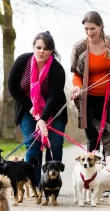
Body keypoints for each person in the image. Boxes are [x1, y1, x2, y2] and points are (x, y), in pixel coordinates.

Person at [8, 31, 68, 188]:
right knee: (32, 145)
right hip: (27, 108)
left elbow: (54, 97)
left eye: (46, 48)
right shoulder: (22, 62)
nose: (42, 51)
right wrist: (32, 110)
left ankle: (51, 186)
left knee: (54, 146)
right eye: (38, 47)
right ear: (33, 47)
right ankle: (35, 185)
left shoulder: (57, 69)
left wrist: (42, 119)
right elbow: (13, 88)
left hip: (54, 111)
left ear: (51, 51)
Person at [70, 11, 110, 154]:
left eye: (92, 28)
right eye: (86, 29)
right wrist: (77, 87)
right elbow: (77, 74)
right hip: (89, 100)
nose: (89, 32)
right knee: (92, 139)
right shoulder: (79, 48)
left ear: (101, 26)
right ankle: (93, 173)